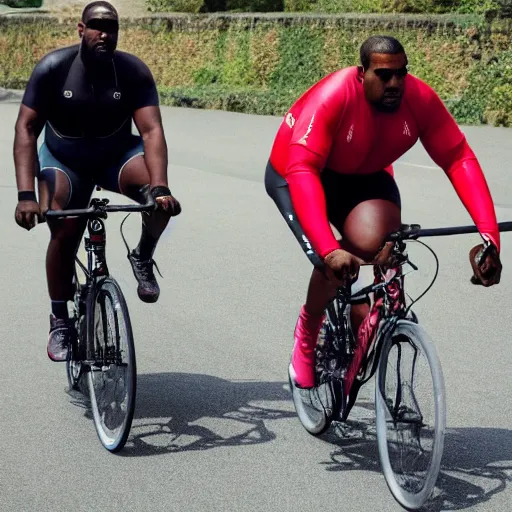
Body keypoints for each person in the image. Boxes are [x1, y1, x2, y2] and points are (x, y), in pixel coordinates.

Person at [265, 35, 502, 390]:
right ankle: (309, 331)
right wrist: (328, 249)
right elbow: (302, 170)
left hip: (363, 178)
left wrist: (490, 238)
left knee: (382, 250)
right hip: (297, 175)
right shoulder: (333, 96)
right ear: (362, 74)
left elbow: (458, 158)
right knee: (332, 264)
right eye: (384, 75)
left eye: (401, 74)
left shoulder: (419, 99)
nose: (395, 83)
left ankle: (365, 328)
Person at [13, 1, 182, 362]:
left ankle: (142, 255)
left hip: (115, 157)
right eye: (96, 26)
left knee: (160, 200)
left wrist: (162, 186)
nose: (105, 33)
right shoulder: (54, 68)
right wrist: (26, 195)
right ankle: (59, 318)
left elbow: (151, 131)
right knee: (64, 224)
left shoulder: (132, 71)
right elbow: (26, 129)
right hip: (64, 159)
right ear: (81, 28)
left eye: (112, 28)